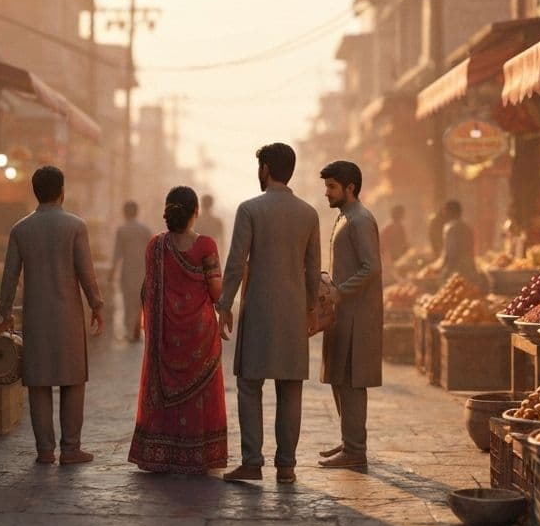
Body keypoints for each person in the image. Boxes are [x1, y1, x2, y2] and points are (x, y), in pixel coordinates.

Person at [217, 142, 321, 484]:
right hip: (293, 313)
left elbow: (234, 263)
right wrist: (310, 310)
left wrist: (224, 305)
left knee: (249, 385)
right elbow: (313, 270)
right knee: (290, 388)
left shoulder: (249, 209)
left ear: (265, 169)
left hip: (258, 309)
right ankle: (287, 466)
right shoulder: (309, 213)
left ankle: (252, 461)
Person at [0, 166, 105, 466]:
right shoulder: (75, 226)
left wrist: (4, 312)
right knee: (73, 380)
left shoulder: (20, 229)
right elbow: (86, 271)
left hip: (35, 316)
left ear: (35, 192)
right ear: (62, 191)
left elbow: (9, 276)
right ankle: (71, 449)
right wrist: (96, 304)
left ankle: (44, 451)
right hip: (69, 315)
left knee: (39, 382)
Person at [127, 187, 229, 474]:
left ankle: (162, 453)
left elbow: (149, 290)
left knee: (166, 392)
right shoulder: (206, 246)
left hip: (165, 338)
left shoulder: (155, 246)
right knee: (199, 397)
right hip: (199, 335)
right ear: (195, 211)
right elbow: (215, 290)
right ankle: (198, 455)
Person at [317, 161, 383, 469]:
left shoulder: (360, 219)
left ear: (350, 188)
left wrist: (340, 291)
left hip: (357, 315)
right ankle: (349, 441)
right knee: (338, 378)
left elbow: (371, 267)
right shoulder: (345, 217)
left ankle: (356, 450)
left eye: (332, 187)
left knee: (353, 381)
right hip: (341, 313)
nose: (326, 192)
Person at [110, 201, 153, 341]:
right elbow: (153, 252)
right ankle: (137, 329)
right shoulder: (145, 230)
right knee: (141, 302)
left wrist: (112, 271)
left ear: (124, 213)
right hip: (144, 271)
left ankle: (130, 331)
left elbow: (117, 253)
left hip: (128, 272)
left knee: (128, 302)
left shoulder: (122, 230)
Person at [430, 200, 484, 289]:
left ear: (449, 212)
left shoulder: (450, 228)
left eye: (445, 211)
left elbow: (450, 254)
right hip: (470, 271)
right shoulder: (467, 227)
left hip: (456, 274)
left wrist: (440, 269)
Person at [380, 204, 409, 274]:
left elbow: (404, 243)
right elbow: (383, 246)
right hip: (390, 261)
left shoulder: (400, 227)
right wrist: (388, 259)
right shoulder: (388, 229)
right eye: (402, 214)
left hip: (400, 259)